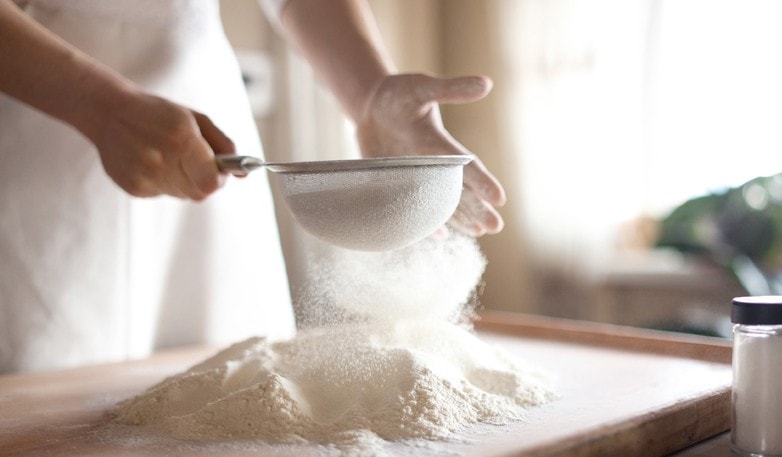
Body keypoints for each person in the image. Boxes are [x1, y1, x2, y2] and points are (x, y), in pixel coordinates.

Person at [0, 0, 506, 373]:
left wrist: (368, 92)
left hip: (203, 102)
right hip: (42, 102)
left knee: (234, 382)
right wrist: (99, 107)